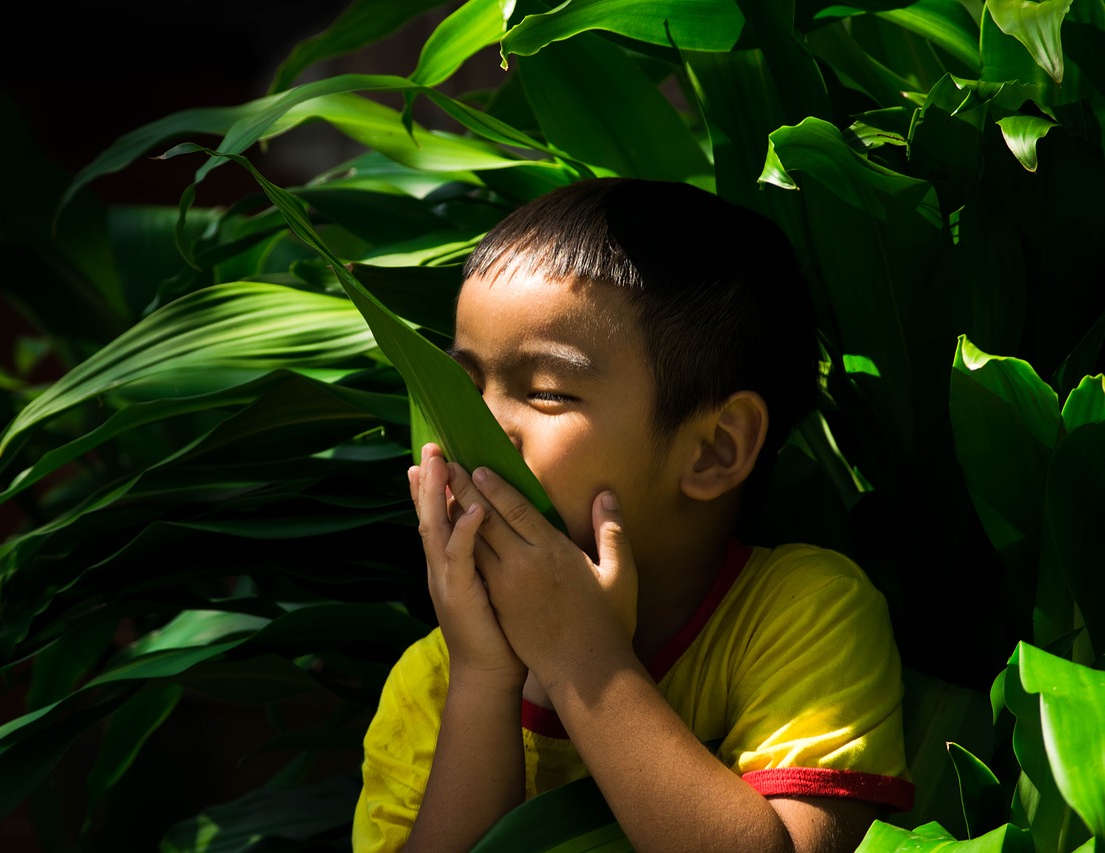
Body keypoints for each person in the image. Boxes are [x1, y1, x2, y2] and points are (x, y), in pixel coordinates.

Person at [352, 178, 913, 852]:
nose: (485, 426)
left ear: (714, 449)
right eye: (462, 388)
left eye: (547, 391)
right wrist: (483, 678)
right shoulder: (435, 678)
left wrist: (585, 661)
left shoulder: (801, 611)